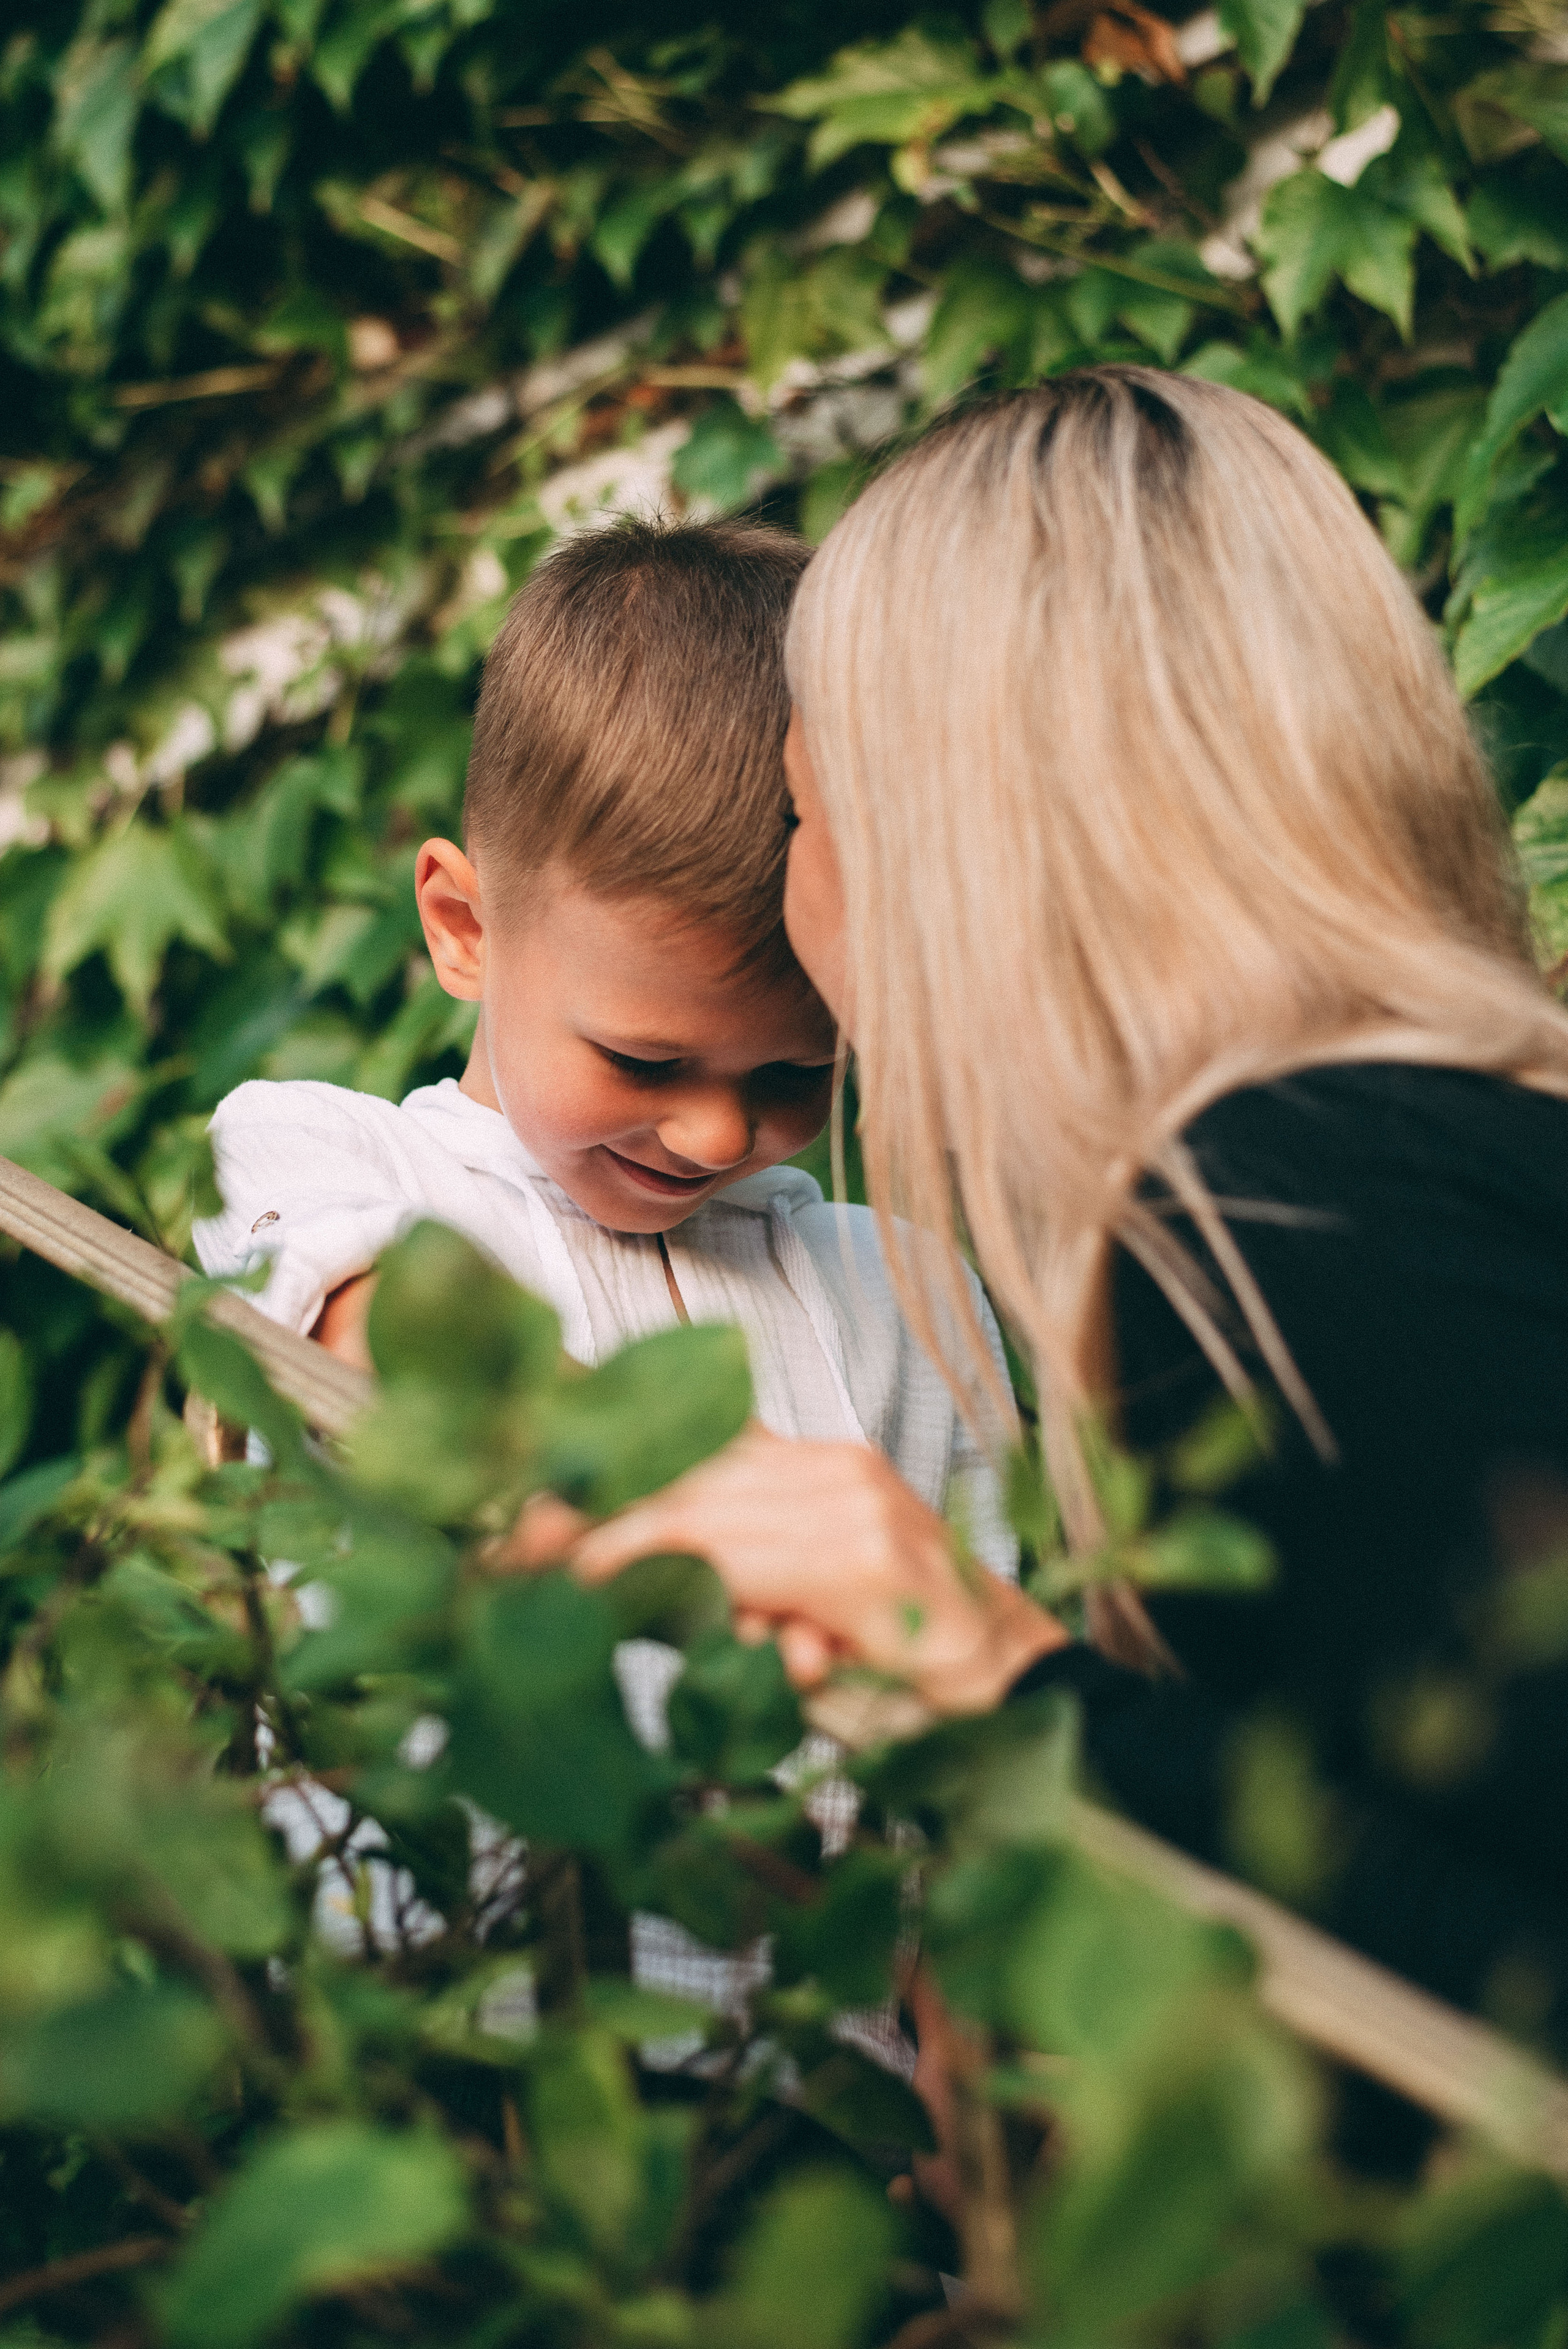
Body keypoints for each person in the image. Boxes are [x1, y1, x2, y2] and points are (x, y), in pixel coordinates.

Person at [564, 373, 1568, 2122]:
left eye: (804, 814)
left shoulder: (1288, 1219)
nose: (794, 897)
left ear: (952, 842)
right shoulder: (1421, 1151)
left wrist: (1004, 1683)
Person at [195, 517, 1016, 1576]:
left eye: (799, 1069)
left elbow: (993, 1651)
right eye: (646, 1061)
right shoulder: (312, 1151)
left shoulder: (898, 1290)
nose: (718, 1132)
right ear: (465, 929)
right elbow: (370, 1335)